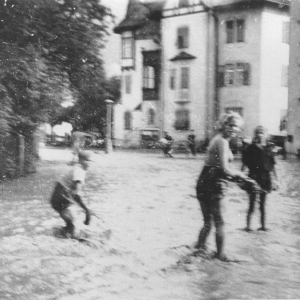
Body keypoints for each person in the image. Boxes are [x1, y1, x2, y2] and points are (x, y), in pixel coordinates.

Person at [195, 112, 248, 261]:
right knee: (220, 222)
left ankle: (199, 248)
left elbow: (219, 168)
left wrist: (236, 179)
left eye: (235, 127)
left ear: (239, 130)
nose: (232, 129)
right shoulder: (223, 142)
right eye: (230, 125)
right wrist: (241, 175)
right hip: (214, 183)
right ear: (224, 125)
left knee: (208, 223)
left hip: (203, 181)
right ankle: (221, 255)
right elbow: (224, 168)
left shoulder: (217, 139)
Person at [241, 126, 278, 232]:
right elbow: (244, 163)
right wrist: (242, 177)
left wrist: (277, 180)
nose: (260, 135)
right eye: (258, 132)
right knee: (251, 203)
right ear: (255, 134)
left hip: (265, 178)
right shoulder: (251, 148)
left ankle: (263, 226)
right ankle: (248, 226)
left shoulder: (269, 149)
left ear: (265, 135)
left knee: (263, 204)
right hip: (253, 176)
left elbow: (274, 166)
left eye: (262, 133)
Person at [50, 150, 93, 239]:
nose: (89, 163)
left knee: (72, 222)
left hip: (58, 197)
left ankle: (64, 233)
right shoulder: (80, 171)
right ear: (80, 160)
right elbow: (77, 194)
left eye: (91, 161)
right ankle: (75, 240)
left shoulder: (77, 168)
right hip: (62, 196)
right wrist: (86, 210)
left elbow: (75, 194)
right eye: (87, 160)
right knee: (76, 222)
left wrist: (84, 209)